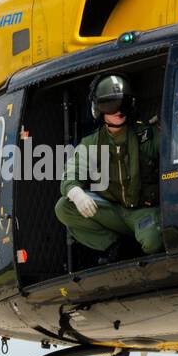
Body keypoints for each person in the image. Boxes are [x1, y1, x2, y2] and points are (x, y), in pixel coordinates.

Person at [54, 74, 162, 264]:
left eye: (122, 104)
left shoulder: (146, 135)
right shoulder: (90, 144)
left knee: (153, 241)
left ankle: (139, 242)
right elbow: (70, 175)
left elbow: (176, 148)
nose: (118, 111)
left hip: (143, 211)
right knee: (64, 207)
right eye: (110, 106)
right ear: (99, 110)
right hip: (112, 210)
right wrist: (77, 194)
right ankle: (117, 247)